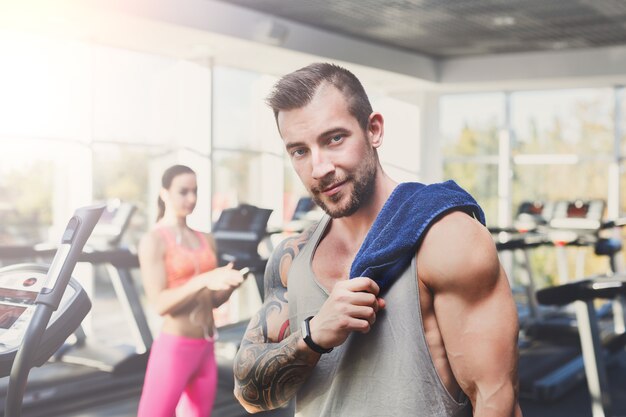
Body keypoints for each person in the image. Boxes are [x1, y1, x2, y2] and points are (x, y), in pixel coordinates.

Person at [233, 63, 523, 417]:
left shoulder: (446, 237)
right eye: (300, 151)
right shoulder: (291, 257)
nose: (319, 168)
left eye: (334, 139)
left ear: (373, 130)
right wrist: (312, 337)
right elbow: (250, 395)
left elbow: (495, 397)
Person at [137, 164, 246, 417]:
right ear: (165, 193)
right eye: (183, 192)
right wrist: (205, 279)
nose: (192, 198)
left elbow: (214, 301)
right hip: (176, 348)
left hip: (206, 347)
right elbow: (160, 304)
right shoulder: (153, 240)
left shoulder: (206, 239)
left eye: (195, 191)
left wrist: (230, 286)